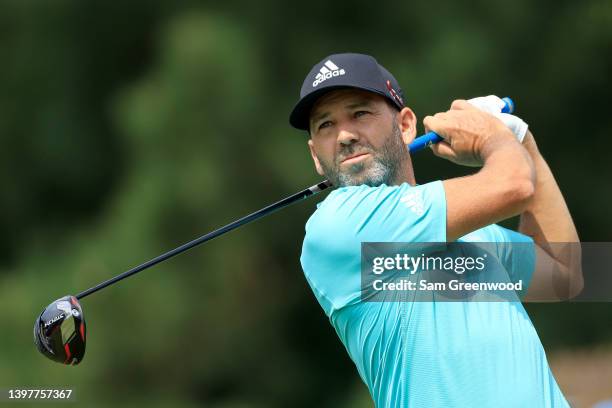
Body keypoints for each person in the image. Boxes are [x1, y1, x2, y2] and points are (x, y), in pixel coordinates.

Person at [290, 53, 582, 407]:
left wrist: (522, 141)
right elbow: (515, 185)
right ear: (315, 155)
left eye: (359, 113)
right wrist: (493, 139)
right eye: (325, 125)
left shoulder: (474, 233)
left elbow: (565, 273)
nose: (345, 135)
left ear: (406, 126)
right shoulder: (335, 227)